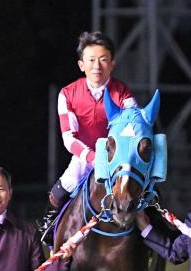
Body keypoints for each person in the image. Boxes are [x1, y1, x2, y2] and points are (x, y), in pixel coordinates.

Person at [37, 31, 137, 242]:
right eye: (91, 60)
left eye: (103, 60)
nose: (97, 66)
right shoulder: (67, 94)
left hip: (117, 159)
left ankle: (155, 235)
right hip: (86, 157)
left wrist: (115, 158)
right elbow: (69, 139)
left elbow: (134, 129)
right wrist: (93, 158)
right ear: (81, 65)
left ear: (112, 64)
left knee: (143, 190)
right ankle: (47, 227)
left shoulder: (123, 93)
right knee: (65, 185)